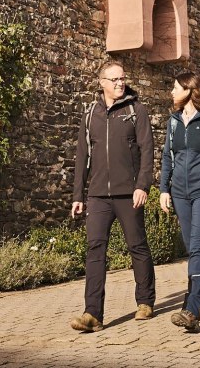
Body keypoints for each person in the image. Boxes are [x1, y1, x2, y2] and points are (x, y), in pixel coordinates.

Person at [69, 58, 155, 332]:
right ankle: (92, 313)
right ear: (102, 83)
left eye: (122, 78)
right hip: (97, 195)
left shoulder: (135, 110)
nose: (120, 83)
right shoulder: (90, 114)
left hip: (129, 193)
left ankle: (145, 301)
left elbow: (147, 150)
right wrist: (78, 195)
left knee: (137, 246)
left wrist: (142, 185)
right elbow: (82, 156)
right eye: (114, 79)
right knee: (95, 249)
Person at [158, 69, 200, 332]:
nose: (172, 92)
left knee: (197, 248)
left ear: (188, 90)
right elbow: (167, 156)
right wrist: (164, 189)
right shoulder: (174, 122)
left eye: (176, 88)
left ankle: (192, 308)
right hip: (179, 194)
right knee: (195, 249)